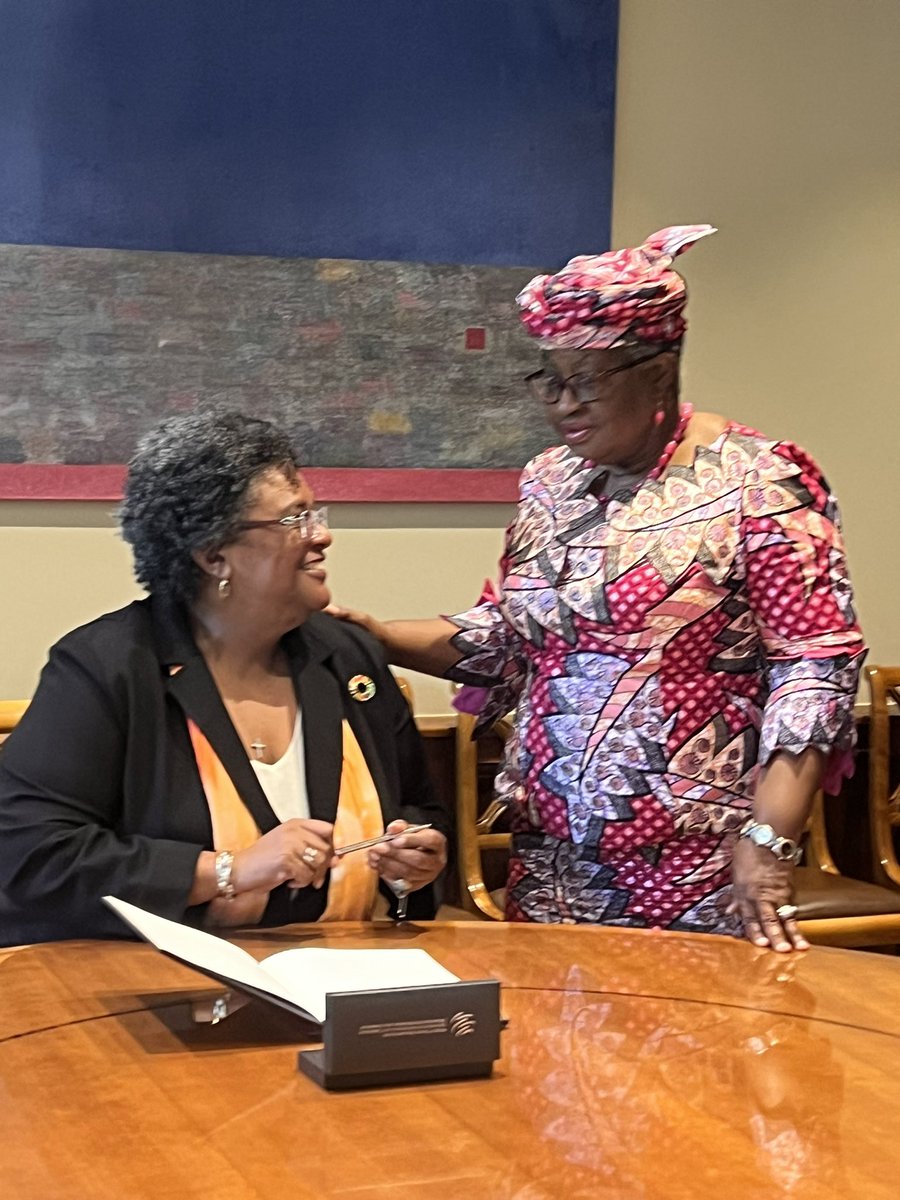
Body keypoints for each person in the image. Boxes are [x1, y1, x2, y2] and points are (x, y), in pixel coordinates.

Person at [333, 225, 865, 952]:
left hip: (696, 860)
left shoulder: (759, 480)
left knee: (697, 1055)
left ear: (660, 368)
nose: (562, 403)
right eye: (548, 378)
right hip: (551, 853)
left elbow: (814, 670)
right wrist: (370, 635)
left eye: (586, 379)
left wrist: (768, 841)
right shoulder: (550, 483)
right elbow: (512, 643)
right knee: (551, 1055)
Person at [0, 412, 448, 943]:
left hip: (348, 975)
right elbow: (32, 854)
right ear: (215, 557)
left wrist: (415, 861)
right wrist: (228, 871)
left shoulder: (349, 657)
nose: (322, 535)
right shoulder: (108, 667)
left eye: (316, 513)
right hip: (150, 990)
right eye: (294, 519)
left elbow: (420, 810)